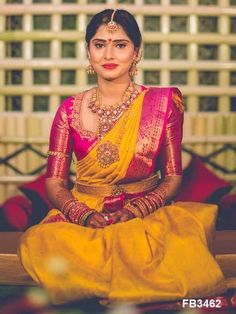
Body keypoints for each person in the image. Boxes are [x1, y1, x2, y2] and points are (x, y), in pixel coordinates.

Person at [19, 8, 226, 305]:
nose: (108, 54)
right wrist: (84, 215)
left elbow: (172, 177)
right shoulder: (69, 110)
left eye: (120, 44)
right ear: (88, 51)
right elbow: (55, 184)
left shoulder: (162, 104)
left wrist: (136, 210)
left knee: (176, 246)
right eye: (99, 44)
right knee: (40, 241)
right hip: (85, 215)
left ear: (136, 52)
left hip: (145, 214)